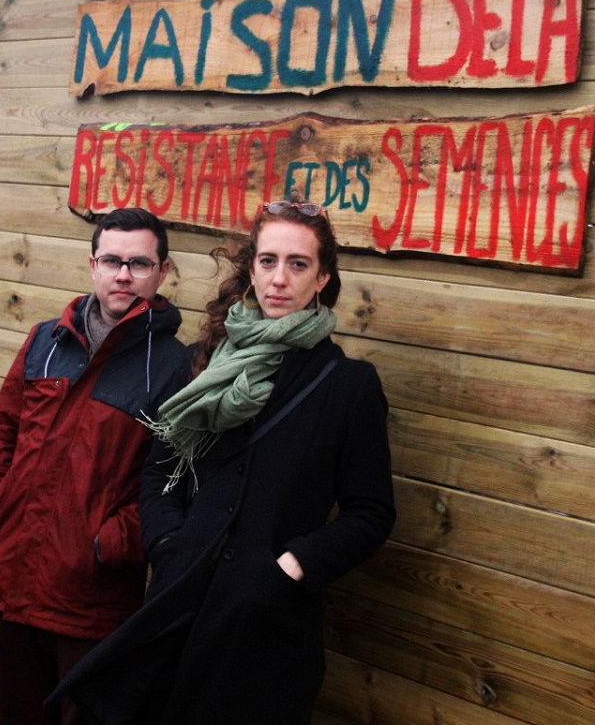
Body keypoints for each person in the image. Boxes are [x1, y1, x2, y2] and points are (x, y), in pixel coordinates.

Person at [52, 199, 397, 724]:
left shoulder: (348, 386)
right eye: (267, 261)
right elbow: (160, 469)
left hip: (263, 629)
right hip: (178, 607)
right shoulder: (208, 361)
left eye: (298, 264)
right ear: (252, 269)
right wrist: (168, 544)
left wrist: (290, 568)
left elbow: (370, 512)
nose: (279, 279)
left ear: (323, 277)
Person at [0, 207, 188, 725]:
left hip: (92, 597)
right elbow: (2, 425)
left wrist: (114, 541)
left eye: (139, 263)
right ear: (92, 264)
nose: (123, 274)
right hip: (17, 576)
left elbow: (180, 480)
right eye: (112, 260)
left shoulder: (176, 366)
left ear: (162, 272)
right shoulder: (47, 340)